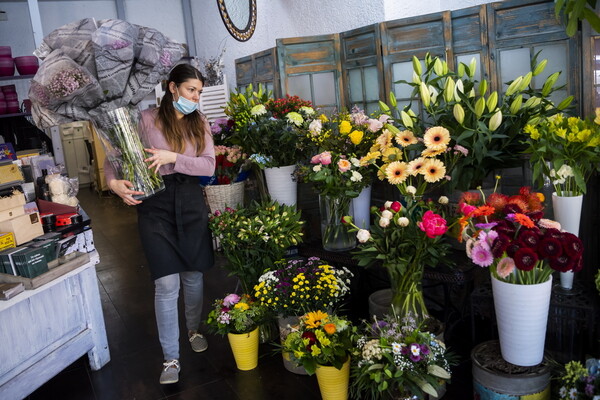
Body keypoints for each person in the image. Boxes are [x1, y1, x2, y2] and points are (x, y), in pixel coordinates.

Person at [105, 63, 215, 385]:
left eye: (199, 92)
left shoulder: (201, 123)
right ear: (172, 87)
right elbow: (115, 157)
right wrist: (114, 184)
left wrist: (173, 158)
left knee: (193, 276)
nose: (194, 98)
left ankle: (193, 328)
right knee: (166, 284)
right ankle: (171, 358)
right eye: (190, 90)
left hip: (191, 201)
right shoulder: (145, 119)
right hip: (155, 204)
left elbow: (208, 164)